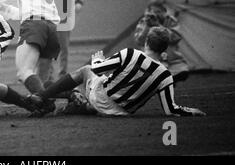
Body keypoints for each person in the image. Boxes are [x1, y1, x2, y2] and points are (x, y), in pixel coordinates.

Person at [29, 27, 206, 117]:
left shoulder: (131, 53)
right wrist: (192, 111)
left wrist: (98, 59)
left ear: (146, 43)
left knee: (86, 70)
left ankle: (44, 95)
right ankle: (78, 100)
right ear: (164, 49)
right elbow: (171, 110)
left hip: (101, 98)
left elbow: (98, 68)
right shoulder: (166, 75)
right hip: (122, 113)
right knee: (99, 84)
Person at [134, 0, 190, 83]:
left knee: (181, 71)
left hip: (173, 62)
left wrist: (158, 25)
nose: (155, 14)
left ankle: (166, 80)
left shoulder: (171, 21)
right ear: (149, 11)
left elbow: (175, 37)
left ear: (165, 12)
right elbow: (139, 41)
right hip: (152, 62)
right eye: (153, 11)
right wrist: (147, 27)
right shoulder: (143, 22)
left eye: (158, 11)